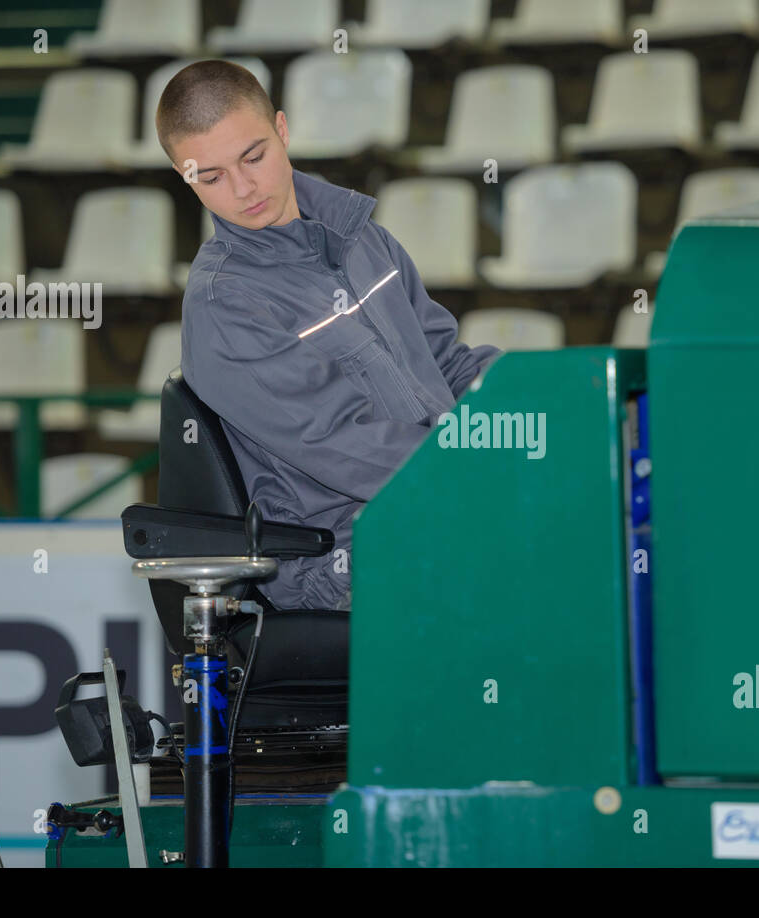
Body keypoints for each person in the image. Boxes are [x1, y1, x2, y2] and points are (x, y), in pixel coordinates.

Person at [156, 60, 501, 612]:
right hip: (342, 557)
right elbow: (346, 446)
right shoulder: (226, 305)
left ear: (283, 131)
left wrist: (543, 406)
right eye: (211, 176)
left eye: (254, 156)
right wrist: (487, 467)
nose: (244, 189)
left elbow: (447, 365)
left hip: (432, 503)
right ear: (185, 177)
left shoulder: (361, 237)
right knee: (553, 555)